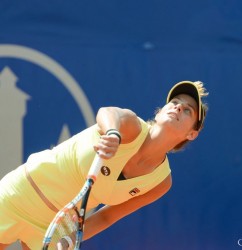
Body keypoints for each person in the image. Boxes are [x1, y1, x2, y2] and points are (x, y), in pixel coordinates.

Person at [0, 80, 208, 249]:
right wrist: (113, 133)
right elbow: (108, 112)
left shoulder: (161, 182)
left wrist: (71, 239)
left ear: (192, 134)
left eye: (188, 110)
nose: (179, 107)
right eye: (174, 102)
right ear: (159, 112)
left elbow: (107, 216)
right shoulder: (130, 126)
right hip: (21, 194)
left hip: (54, 227)